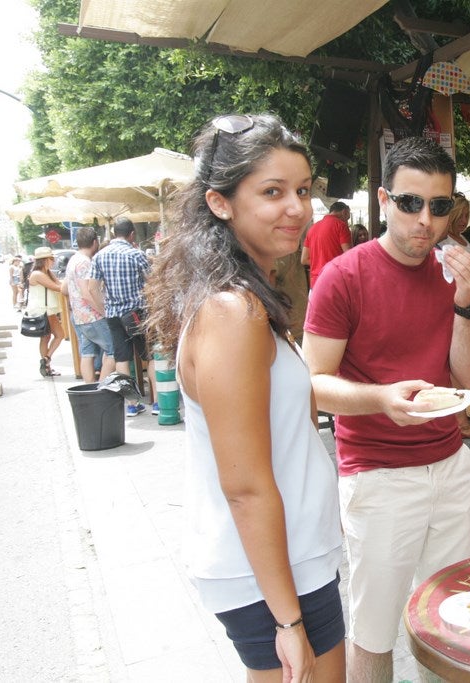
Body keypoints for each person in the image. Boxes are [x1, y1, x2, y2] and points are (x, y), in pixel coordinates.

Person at [144, 113, 345, 682]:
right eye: (273, 192)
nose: (297, 208)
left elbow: (287, 419)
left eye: (303, 191)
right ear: (220, 202)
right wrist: (287, 621)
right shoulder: (234, 311)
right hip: (271, 575)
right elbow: (246, 487)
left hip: (289, 559)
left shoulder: (246, 297)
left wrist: (381, 400)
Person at [303, 136, 470, 683]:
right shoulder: (344, 276)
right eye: (410, 203)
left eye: (439, 205)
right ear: (384, 199)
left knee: (450, 622)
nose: (425, 220)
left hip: (451, 467)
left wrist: (468, 303)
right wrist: (380, 399)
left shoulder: (456, 272)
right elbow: (311, 384)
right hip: (378, 475)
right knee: (375, 630)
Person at [91, 217, 154, 416]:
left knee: (121, 359)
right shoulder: (136, 255)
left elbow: (92, 288)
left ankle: (132, 404)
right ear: (132, 234)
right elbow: (152, 283)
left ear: (114, 233)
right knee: (150, 356)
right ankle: (159, 402)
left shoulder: (99, 256)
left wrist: (105, 308)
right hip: (136, 313)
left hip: (113, 315)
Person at [442, 191, 470, 440]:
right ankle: (461, 421)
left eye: (467, 215)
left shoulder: (459, 238)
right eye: (460, 215)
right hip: (457, 309)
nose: (464, 220)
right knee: (455, 369)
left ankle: (460, 418)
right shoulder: (444, 241)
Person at [63, 227, 117, 382]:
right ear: (95, 242)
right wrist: (104, 311)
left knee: (87, 354)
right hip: (92, 316)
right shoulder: (84, 263)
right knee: (114, 351)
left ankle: (89, 388)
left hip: (79, 316)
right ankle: (101, 388)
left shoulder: (73, 259)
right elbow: (87, 292)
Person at [27, 246, 67, 378]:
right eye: (51, 258)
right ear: (44, 260)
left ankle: (46, 362)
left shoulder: (47, 273)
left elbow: (58, 284)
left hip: (47, 309)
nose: (53, 261)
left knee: (49, 337)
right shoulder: (38, 274)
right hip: (44, 309)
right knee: (55, 335)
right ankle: (46, 361)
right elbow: (57, 287)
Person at [301, 201, 351, 290]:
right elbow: (349, 256)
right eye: (347, 218)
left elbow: (304, 260)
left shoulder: (312, 228)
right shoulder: (341, 226)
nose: (346, 221)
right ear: (344, 212)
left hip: (315, 283)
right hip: (334, 281)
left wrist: (320, 261)